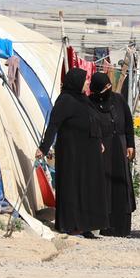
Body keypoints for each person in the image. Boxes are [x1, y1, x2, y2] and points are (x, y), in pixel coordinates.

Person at [36, 68, 109, 238]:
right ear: (76, 82)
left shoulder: (83, 99)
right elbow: (53, 125)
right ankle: (72, 224)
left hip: (89, 152)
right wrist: (44, 148)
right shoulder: (65, 100)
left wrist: (98, 141)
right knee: (73, 187)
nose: (87, 84)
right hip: (73, 153)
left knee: (88, 187)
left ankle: (86, 225)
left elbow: (92, 121)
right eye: (85, 81)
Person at [88, 72, 137, 237]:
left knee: (121, 185)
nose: (108, 89)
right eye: (105, 88)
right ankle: (105, 225)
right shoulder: (90, 103)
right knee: (105, 185)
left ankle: (122, 227)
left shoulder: (118, 99)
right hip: (103, 148)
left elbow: (128, 122)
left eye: (109, 86)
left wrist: (130, 144)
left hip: (120, 146)